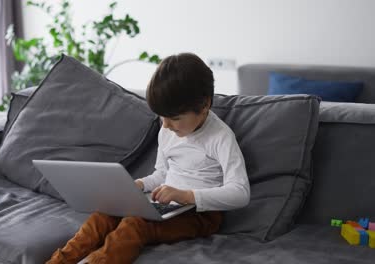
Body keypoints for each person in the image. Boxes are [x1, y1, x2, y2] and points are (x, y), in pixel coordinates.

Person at [46, 52, 250, 264]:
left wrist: (186, 196)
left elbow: (240, 192)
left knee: (136, 224)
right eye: (162, 117)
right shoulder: (167, 130)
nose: (167, 125)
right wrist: (139, 185)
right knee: (105, 213)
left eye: (174, 118)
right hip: (168, 205)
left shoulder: (221, 137)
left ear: (205, 105)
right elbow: (161, 174)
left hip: (201, 214)